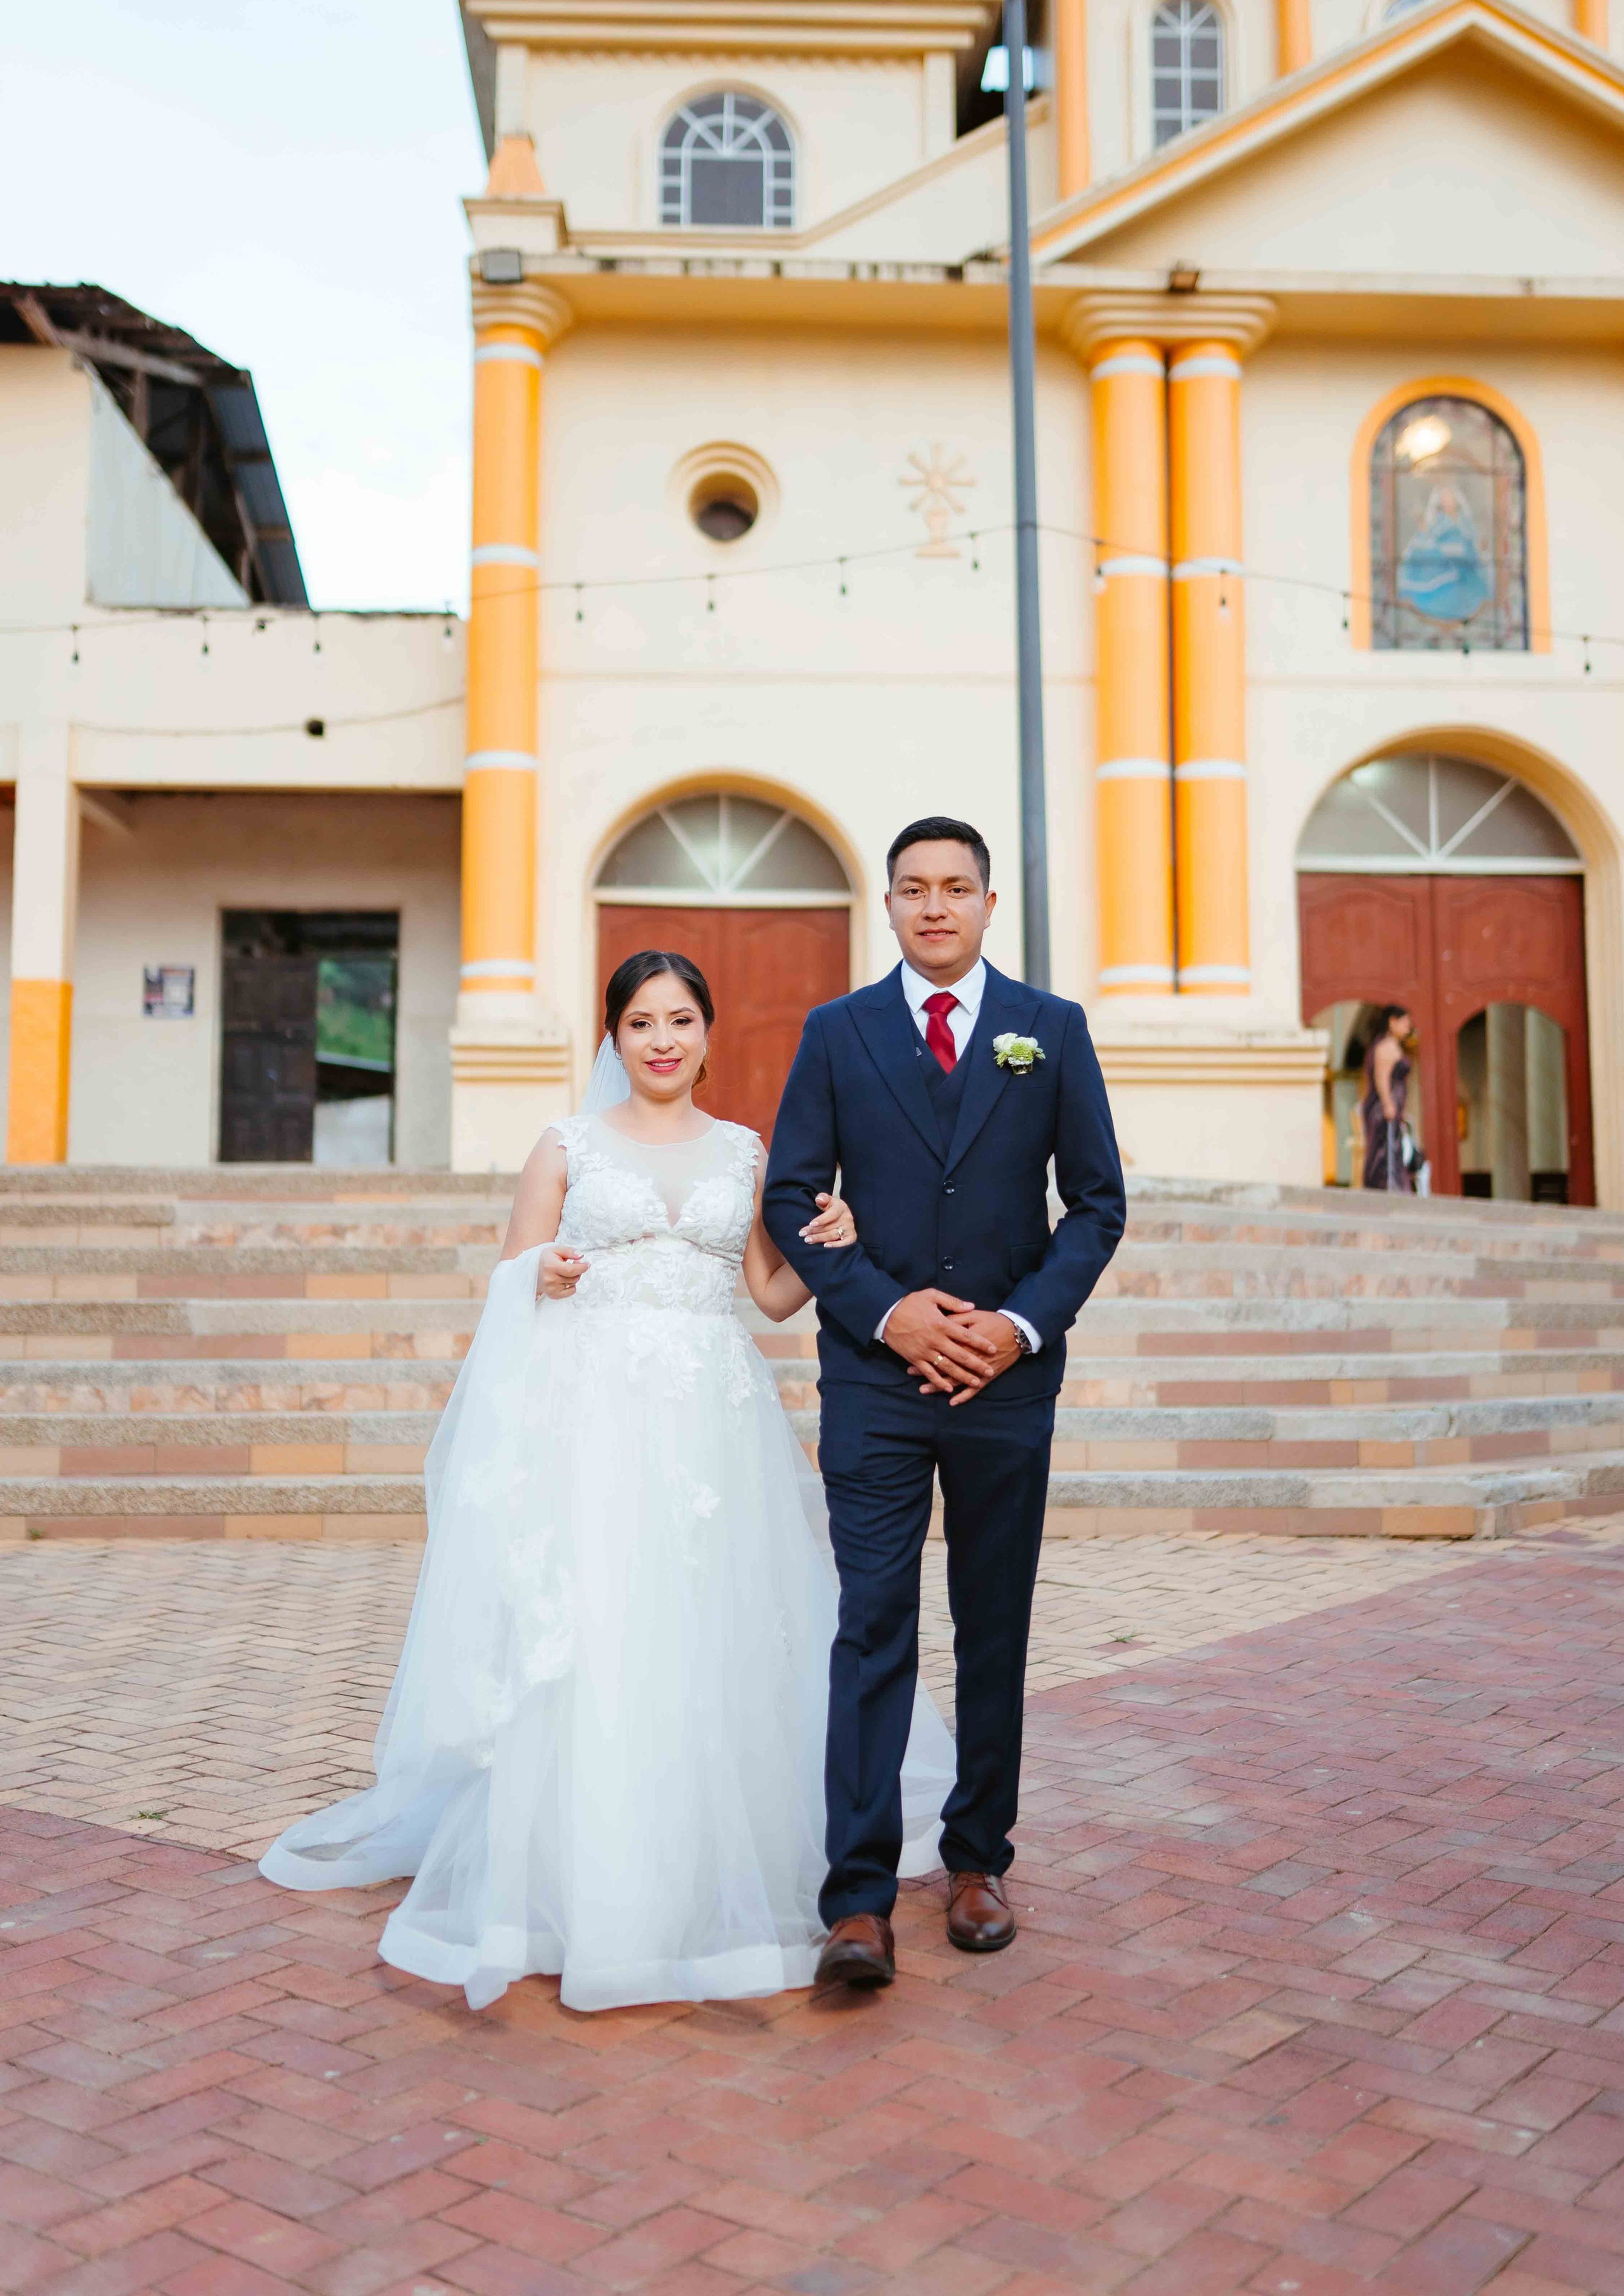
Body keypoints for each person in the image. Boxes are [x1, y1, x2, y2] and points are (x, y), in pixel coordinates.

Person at [259, 948, 955, 2013]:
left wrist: (839, 1237)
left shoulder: (745, 1153)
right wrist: (541, 1276)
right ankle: (586, 1877)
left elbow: (767, 1294)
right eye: (641, 1023)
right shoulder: (568, 1146)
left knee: (718, 1628)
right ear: (615, 1037)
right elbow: (513, 1272)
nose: (663, 1040)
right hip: (601, 1422)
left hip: (717, 1427)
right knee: (605, 1629)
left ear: (708, 1034)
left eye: (680, 1020)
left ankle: (714, 1857)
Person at [764, 815, 1126, 1990]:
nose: (935, 907)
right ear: (887, 905)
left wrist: (1015, 1328)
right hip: (876, 1380)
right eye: (913, 889)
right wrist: (888, 1312)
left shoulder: (1051, 1032)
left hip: (1006, 1383)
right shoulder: (837, 1034)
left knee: (993, 1626)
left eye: (956, 888)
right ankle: (858, 1899)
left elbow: (1099, 1205)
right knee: (871, 1623)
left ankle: (977, 1863)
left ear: (985, 905)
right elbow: (789, 1196)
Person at [1361, 1003, 1418, 1191]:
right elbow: (1382, 1077)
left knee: (1395, 1148)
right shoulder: (1385, 1047)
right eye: (1404, 1022)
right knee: (1384, 1151)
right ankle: (1384, 1186)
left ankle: (1395, 1186)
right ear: (1392, 1022)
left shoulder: (1394, 1046)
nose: (1408, 1027)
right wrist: (1387, 1103)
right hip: (1383, 1110)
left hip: (1394, 1109)